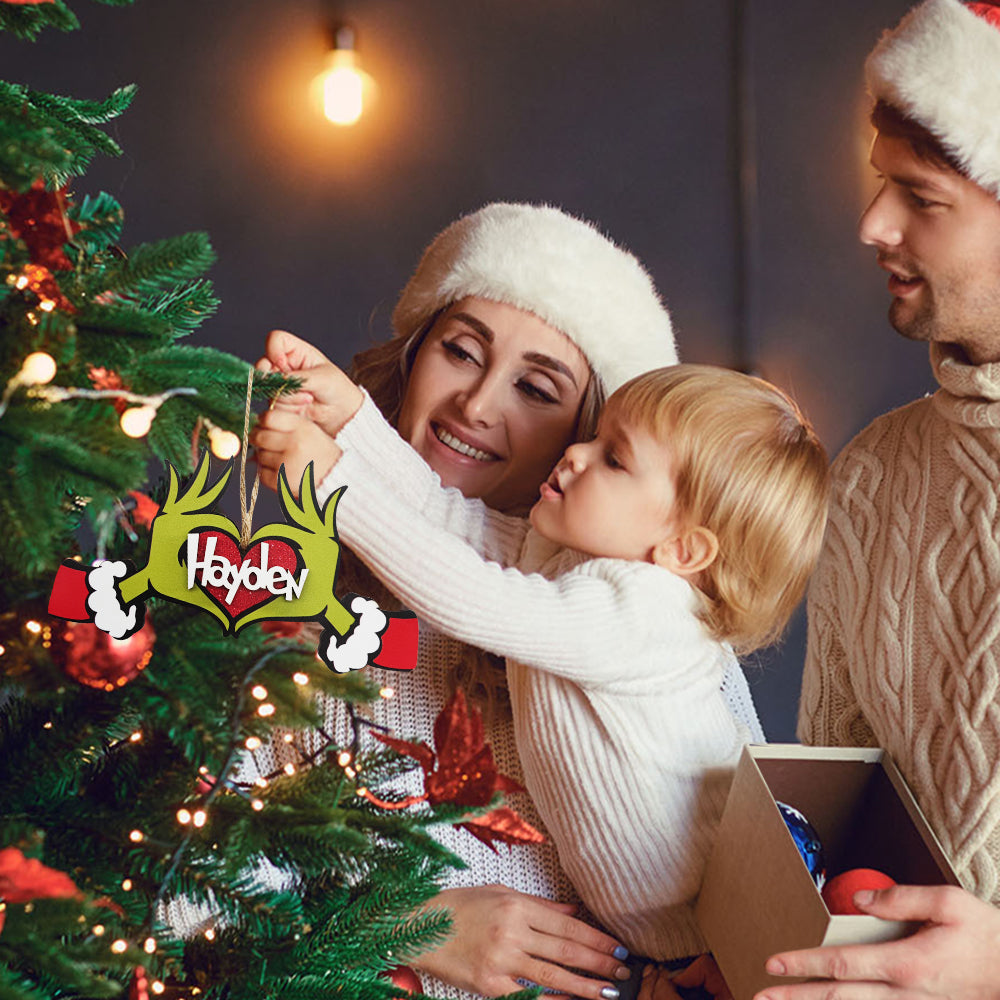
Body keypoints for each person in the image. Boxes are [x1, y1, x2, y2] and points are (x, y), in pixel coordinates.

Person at [252, 203, 766, 1000]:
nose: (477, 406)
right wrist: (406, 919)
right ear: (415, 353)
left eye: (536, 387)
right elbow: (170, 882)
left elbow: (743, 900)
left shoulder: (646, 622)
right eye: (460, 351)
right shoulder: (270, 605)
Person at [256, 362, 829, 970]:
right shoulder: (574, 559)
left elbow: (476, 598)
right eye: (597, 436)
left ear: (682, 550)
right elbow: (449, 518)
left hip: (727, 940)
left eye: (614, 459)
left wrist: (331, 483)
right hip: (670, 949)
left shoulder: (646, 614)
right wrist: (350, 421)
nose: (577, 453)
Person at [761, 2, 1000, 998]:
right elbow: (835, 804)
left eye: (921, 197)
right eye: (877, 187)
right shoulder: (869, 473)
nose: (873, 225)